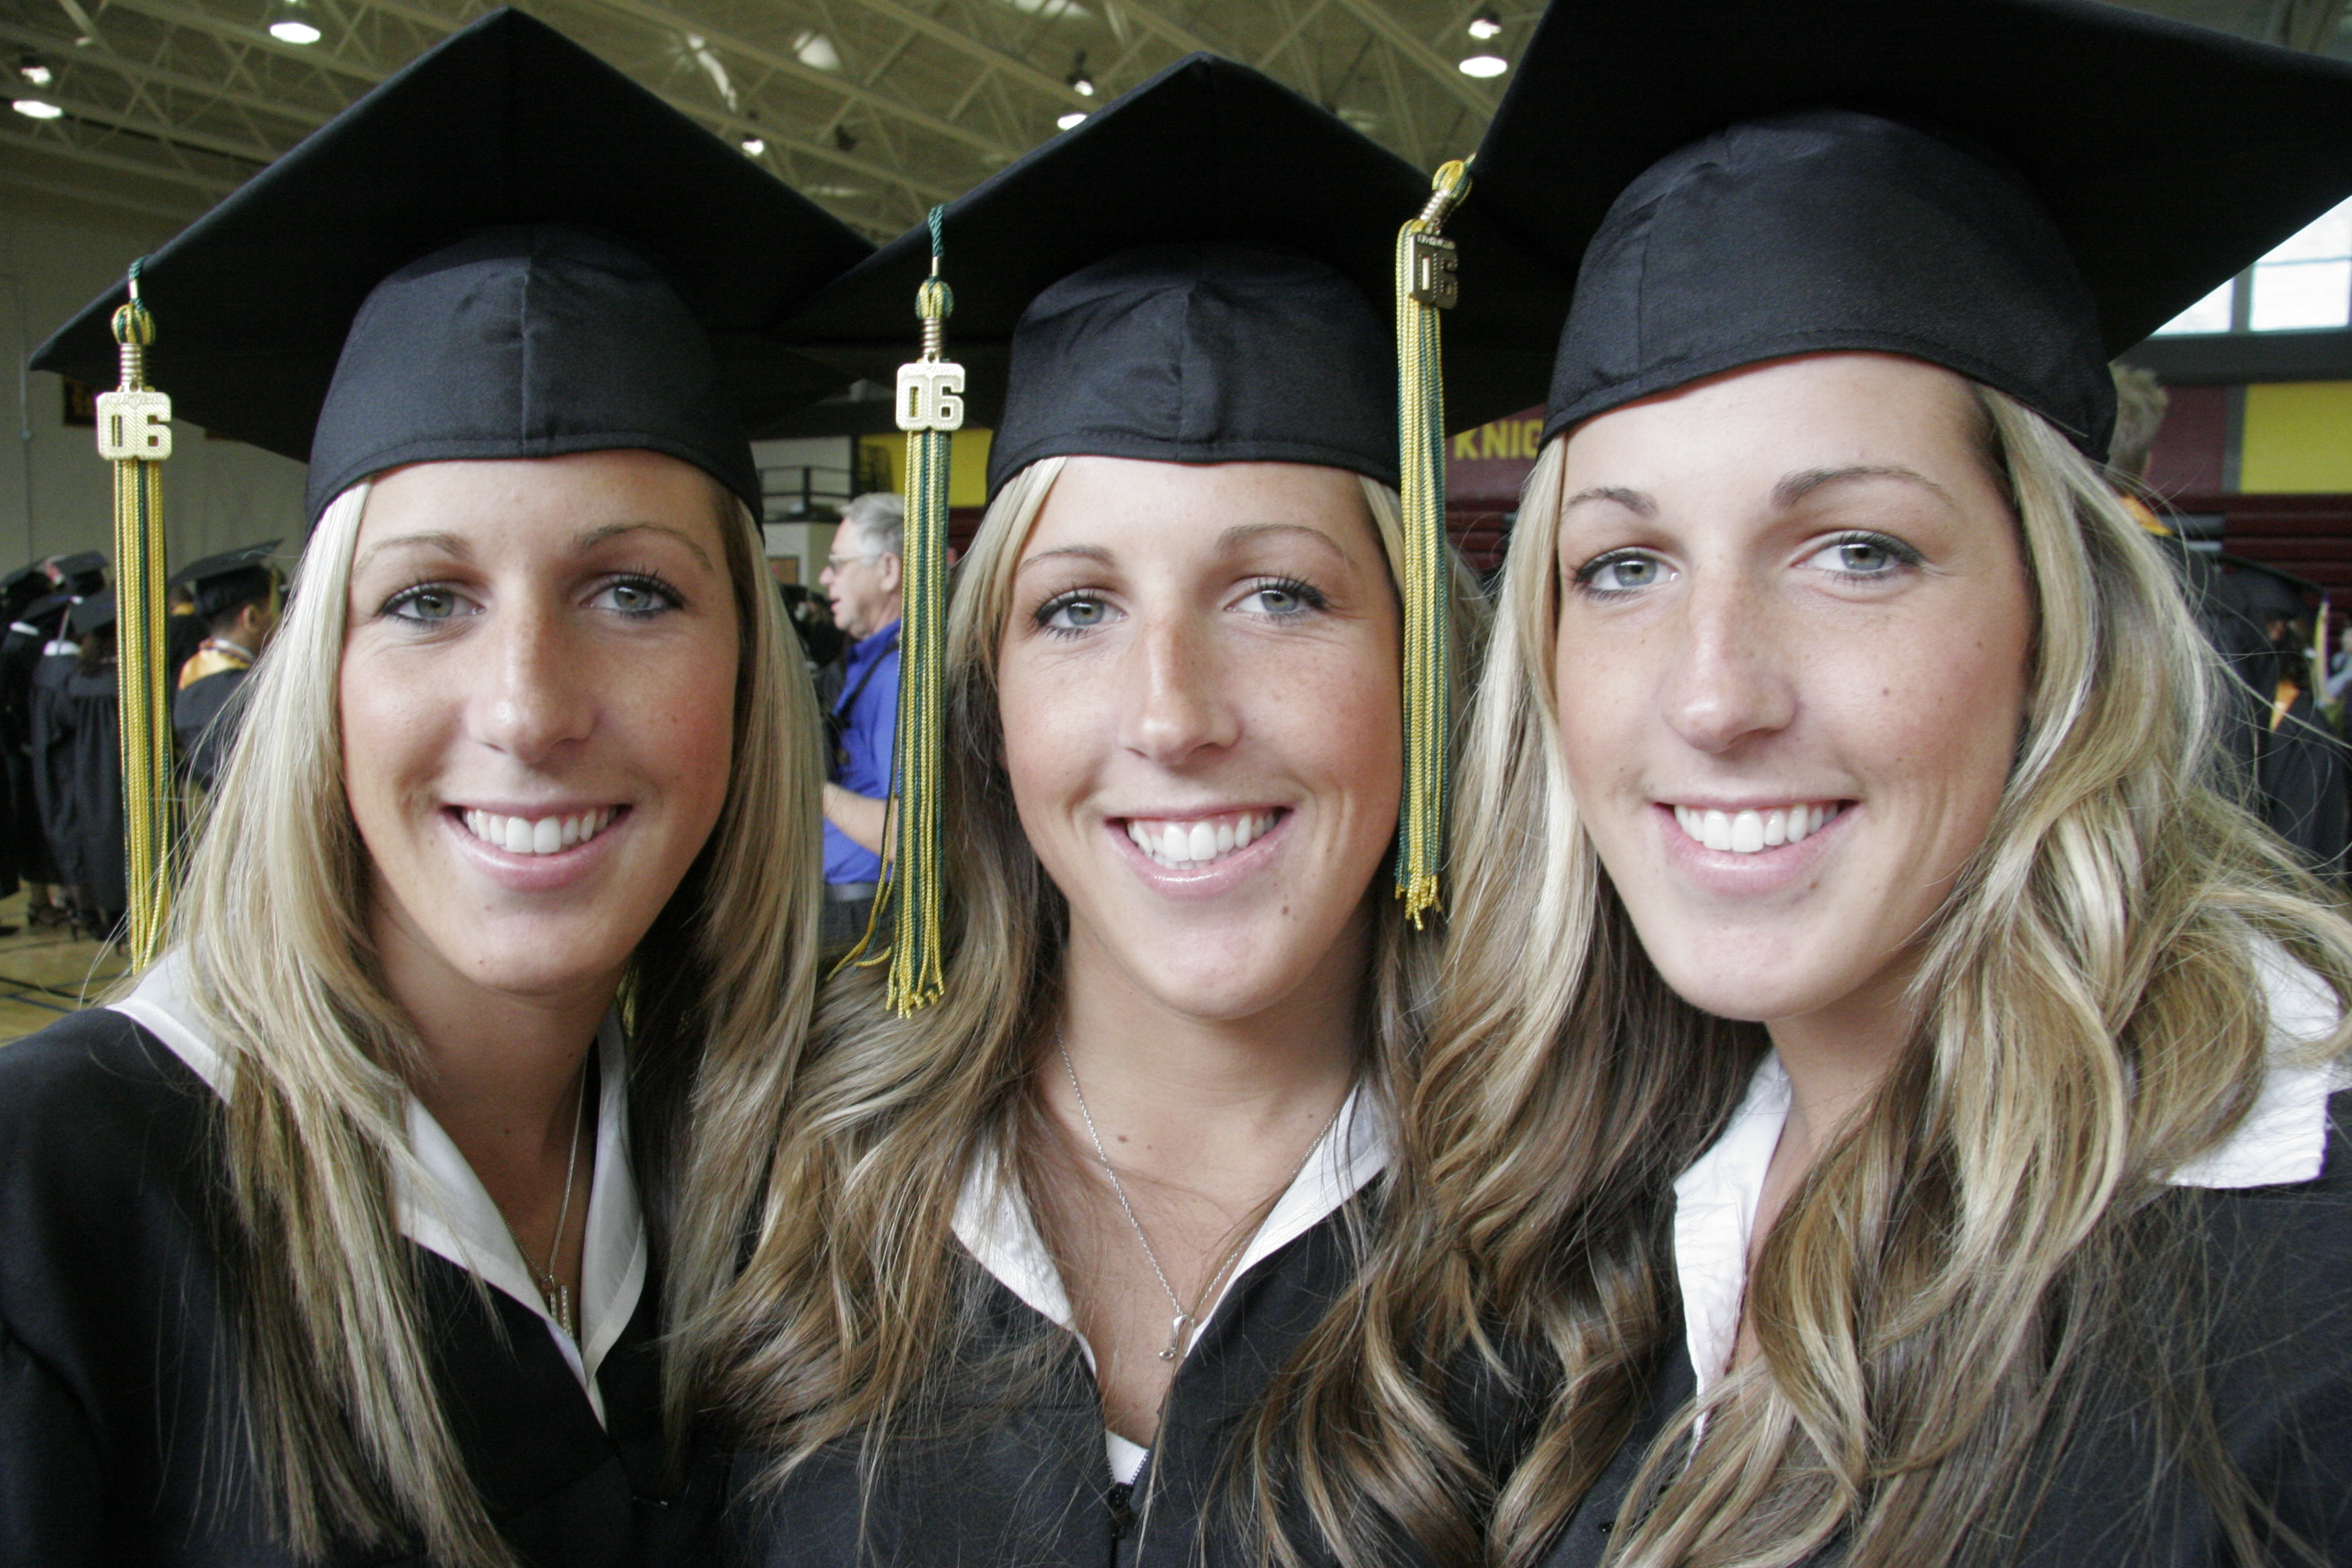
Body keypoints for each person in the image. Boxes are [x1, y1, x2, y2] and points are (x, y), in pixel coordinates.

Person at [1328, 1, 2352, 1564]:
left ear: (2057, 619)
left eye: (1855, 550)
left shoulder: (2302, 1281)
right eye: (1620, 564)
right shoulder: (1602, 1184)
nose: (1712, 690)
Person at [1, 10, 865, 1564]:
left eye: (633, 592)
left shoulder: (776, 1164)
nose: (528, 707)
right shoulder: (58, 1202)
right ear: (318, 675)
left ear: (750, 668)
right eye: (424, 599)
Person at [685, 54, 1542, 1568]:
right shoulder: (783, 1164)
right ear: (985, 700)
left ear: (1426, 660)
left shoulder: (1586, 1223)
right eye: (1075, 609)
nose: (1171, 713)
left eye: (1282, 594)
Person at [814, 490, 904, 948]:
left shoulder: (900, 674)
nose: (825, 578)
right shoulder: (872, 663)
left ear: (887, 570)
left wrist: (810, 789)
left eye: (839, 564)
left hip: (871, 927)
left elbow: (910, 835)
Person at [34, 588, 126, 938]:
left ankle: (108, 917)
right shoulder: (124, 682)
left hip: (88, 780)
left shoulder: (74, 681)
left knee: (99, 843)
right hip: (123, 776)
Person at [169, 542, 283, 791]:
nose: (281, 621)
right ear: (251, 618)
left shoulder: (190, 682)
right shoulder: (250, 694)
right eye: (274, 611)